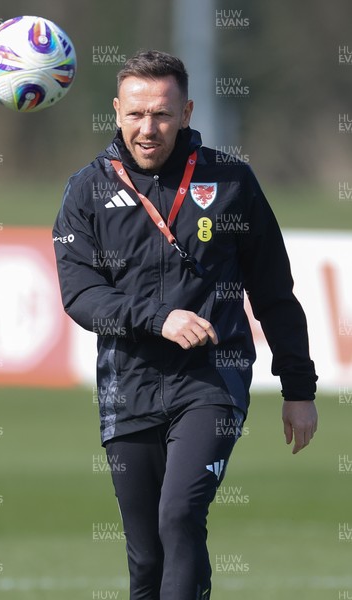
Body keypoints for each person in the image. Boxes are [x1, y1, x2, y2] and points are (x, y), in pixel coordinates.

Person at [53, 50, 318, 600]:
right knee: (146, 555)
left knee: (179, 514)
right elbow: (81, 296)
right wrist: (157, 318)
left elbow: (274, 292)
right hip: (128, 385)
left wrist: (299, 387)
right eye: (135, 114)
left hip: (211, 382)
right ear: (116, 111)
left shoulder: (231, 182)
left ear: (187, 111)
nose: (147, 128)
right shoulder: (86, 190)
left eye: (162, 114)